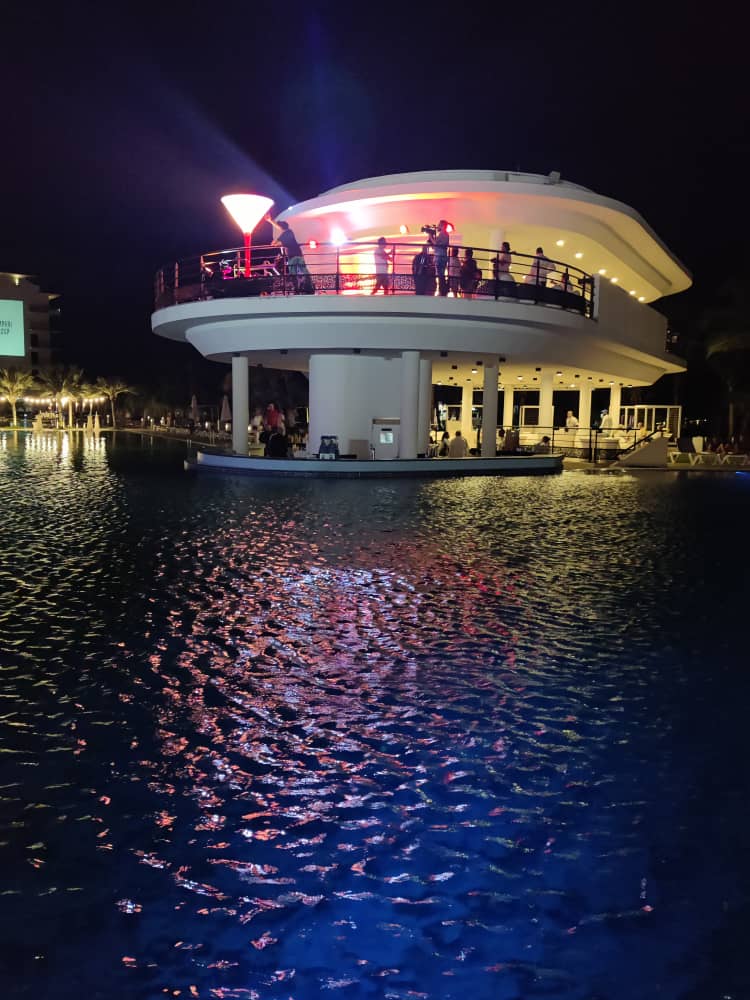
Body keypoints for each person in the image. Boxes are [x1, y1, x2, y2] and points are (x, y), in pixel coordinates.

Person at [266, 215, 308, 292]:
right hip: (299, 254)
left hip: (292, 256)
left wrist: (270, 221)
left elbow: (273, 244)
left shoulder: (284, 235)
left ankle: (297, 289)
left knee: (293, 273)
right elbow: (280, 229)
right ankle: (309, 286)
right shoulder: (289, 232)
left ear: (281, 228)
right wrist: (270, 221)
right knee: (304, 271)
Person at [429, 220, 450, 296]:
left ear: (442, 225)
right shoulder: (445, 234)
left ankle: (442, 291)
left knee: (440, 275)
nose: (438, 226)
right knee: (441, 275)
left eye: (439, 225)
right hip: (442, 256)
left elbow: (436, 243)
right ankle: (442, 291)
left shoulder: (443, 234)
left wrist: (430, 237)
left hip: (440, 256)